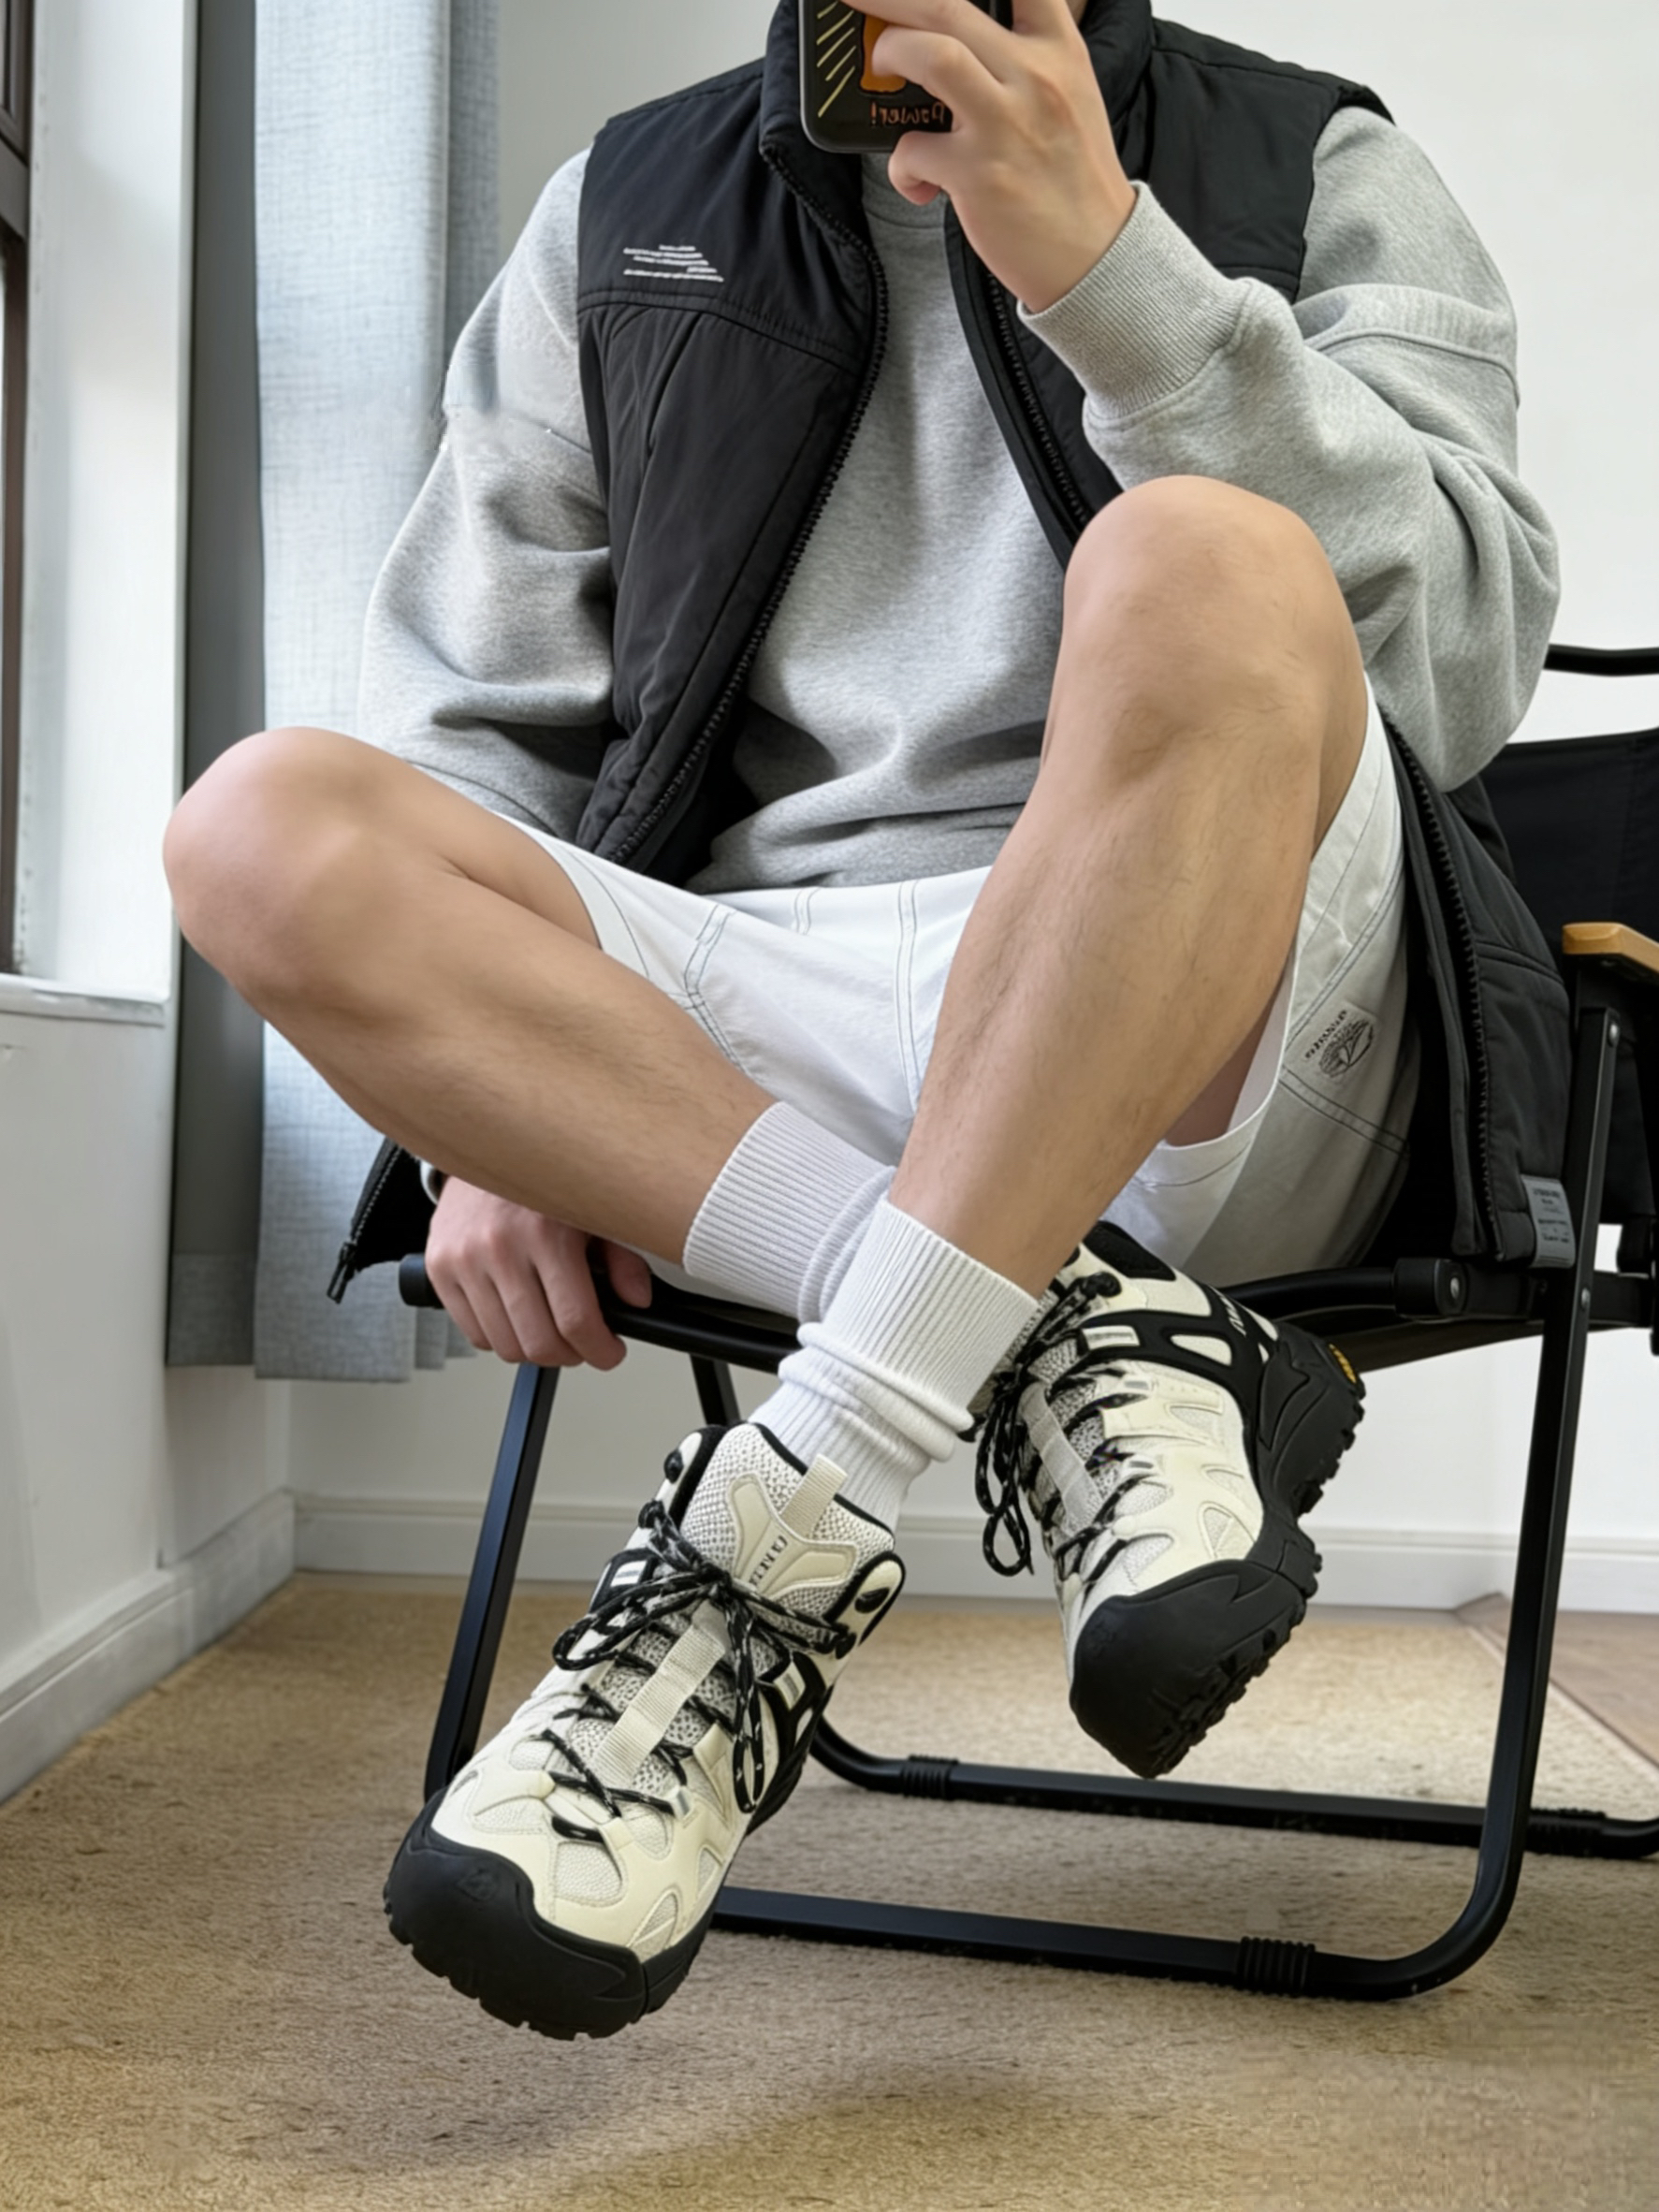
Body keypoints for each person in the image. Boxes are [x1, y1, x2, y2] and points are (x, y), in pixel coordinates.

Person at [164, 0, 1559, 2040]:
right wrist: (487, 1119)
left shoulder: (1315, 162)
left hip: (1212, 1008)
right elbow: (466, 721)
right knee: (259, 826)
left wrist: (1113, 274)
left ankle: (777, 1535)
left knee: (1197, 556)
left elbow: (1456, 670)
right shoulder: (621, 205)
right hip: (755, 1032)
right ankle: (1061, 1332)